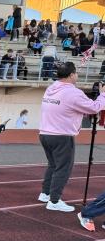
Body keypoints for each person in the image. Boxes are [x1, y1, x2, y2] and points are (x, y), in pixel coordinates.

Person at [38, 64, 105, 212]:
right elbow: (94, 107)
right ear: (71, 75)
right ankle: (54, 201)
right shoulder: (73, 93)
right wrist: (103, 94)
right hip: (62, 135)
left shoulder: (51, 88)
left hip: (44, 132)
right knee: (63, 168)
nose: (77, 76)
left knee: (53, 165)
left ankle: (45, 193)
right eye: (76, 73)